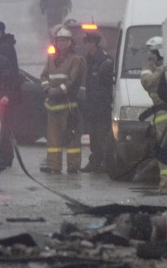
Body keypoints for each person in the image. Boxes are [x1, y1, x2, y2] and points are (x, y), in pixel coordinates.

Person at [39, 26, 85, 174]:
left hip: (68, 106)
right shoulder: (51, 59)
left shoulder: (76, 60)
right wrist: (47, 89)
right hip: (52, 107)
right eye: (59, 40)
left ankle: (73, 166)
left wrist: (57, 92)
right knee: (53, 139)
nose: (61, 43)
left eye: (64, 40)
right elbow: (44, 76)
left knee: (72, 138)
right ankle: (54, 166)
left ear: (70, 42)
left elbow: (72, 81)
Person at [139, 36, 167, 194]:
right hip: (162, 115)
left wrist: (146, 67)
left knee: (165, 154)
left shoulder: (163, 69)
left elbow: (147, 82)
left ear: (161, 52)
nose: (150, 56)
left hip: (165, 116)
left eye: (153, 52)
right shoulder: (162, 68)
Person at [80, 32, 116, 173]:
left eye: (89, 42)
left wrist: (103, 103)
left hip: (102, 106)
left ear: (95, 43)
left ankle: (106, 163)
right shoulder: (89, 59)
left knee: (102, 136)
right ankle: (95, 161)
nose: (87, 45)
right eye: (86, 42)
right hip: (91, 105)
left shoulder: (104, 60)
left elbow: (107, 85)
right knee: (93, 136)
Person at [0, 21, 21, 168]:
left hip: (5, 98)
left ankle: (5, 157)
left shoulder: (5, 51)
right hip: (1, 96)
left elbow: (9, 76)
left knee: (4, 128)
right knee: (3, 127)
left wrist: (7, 95)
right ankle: (5, 157)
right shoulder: (4, 49)